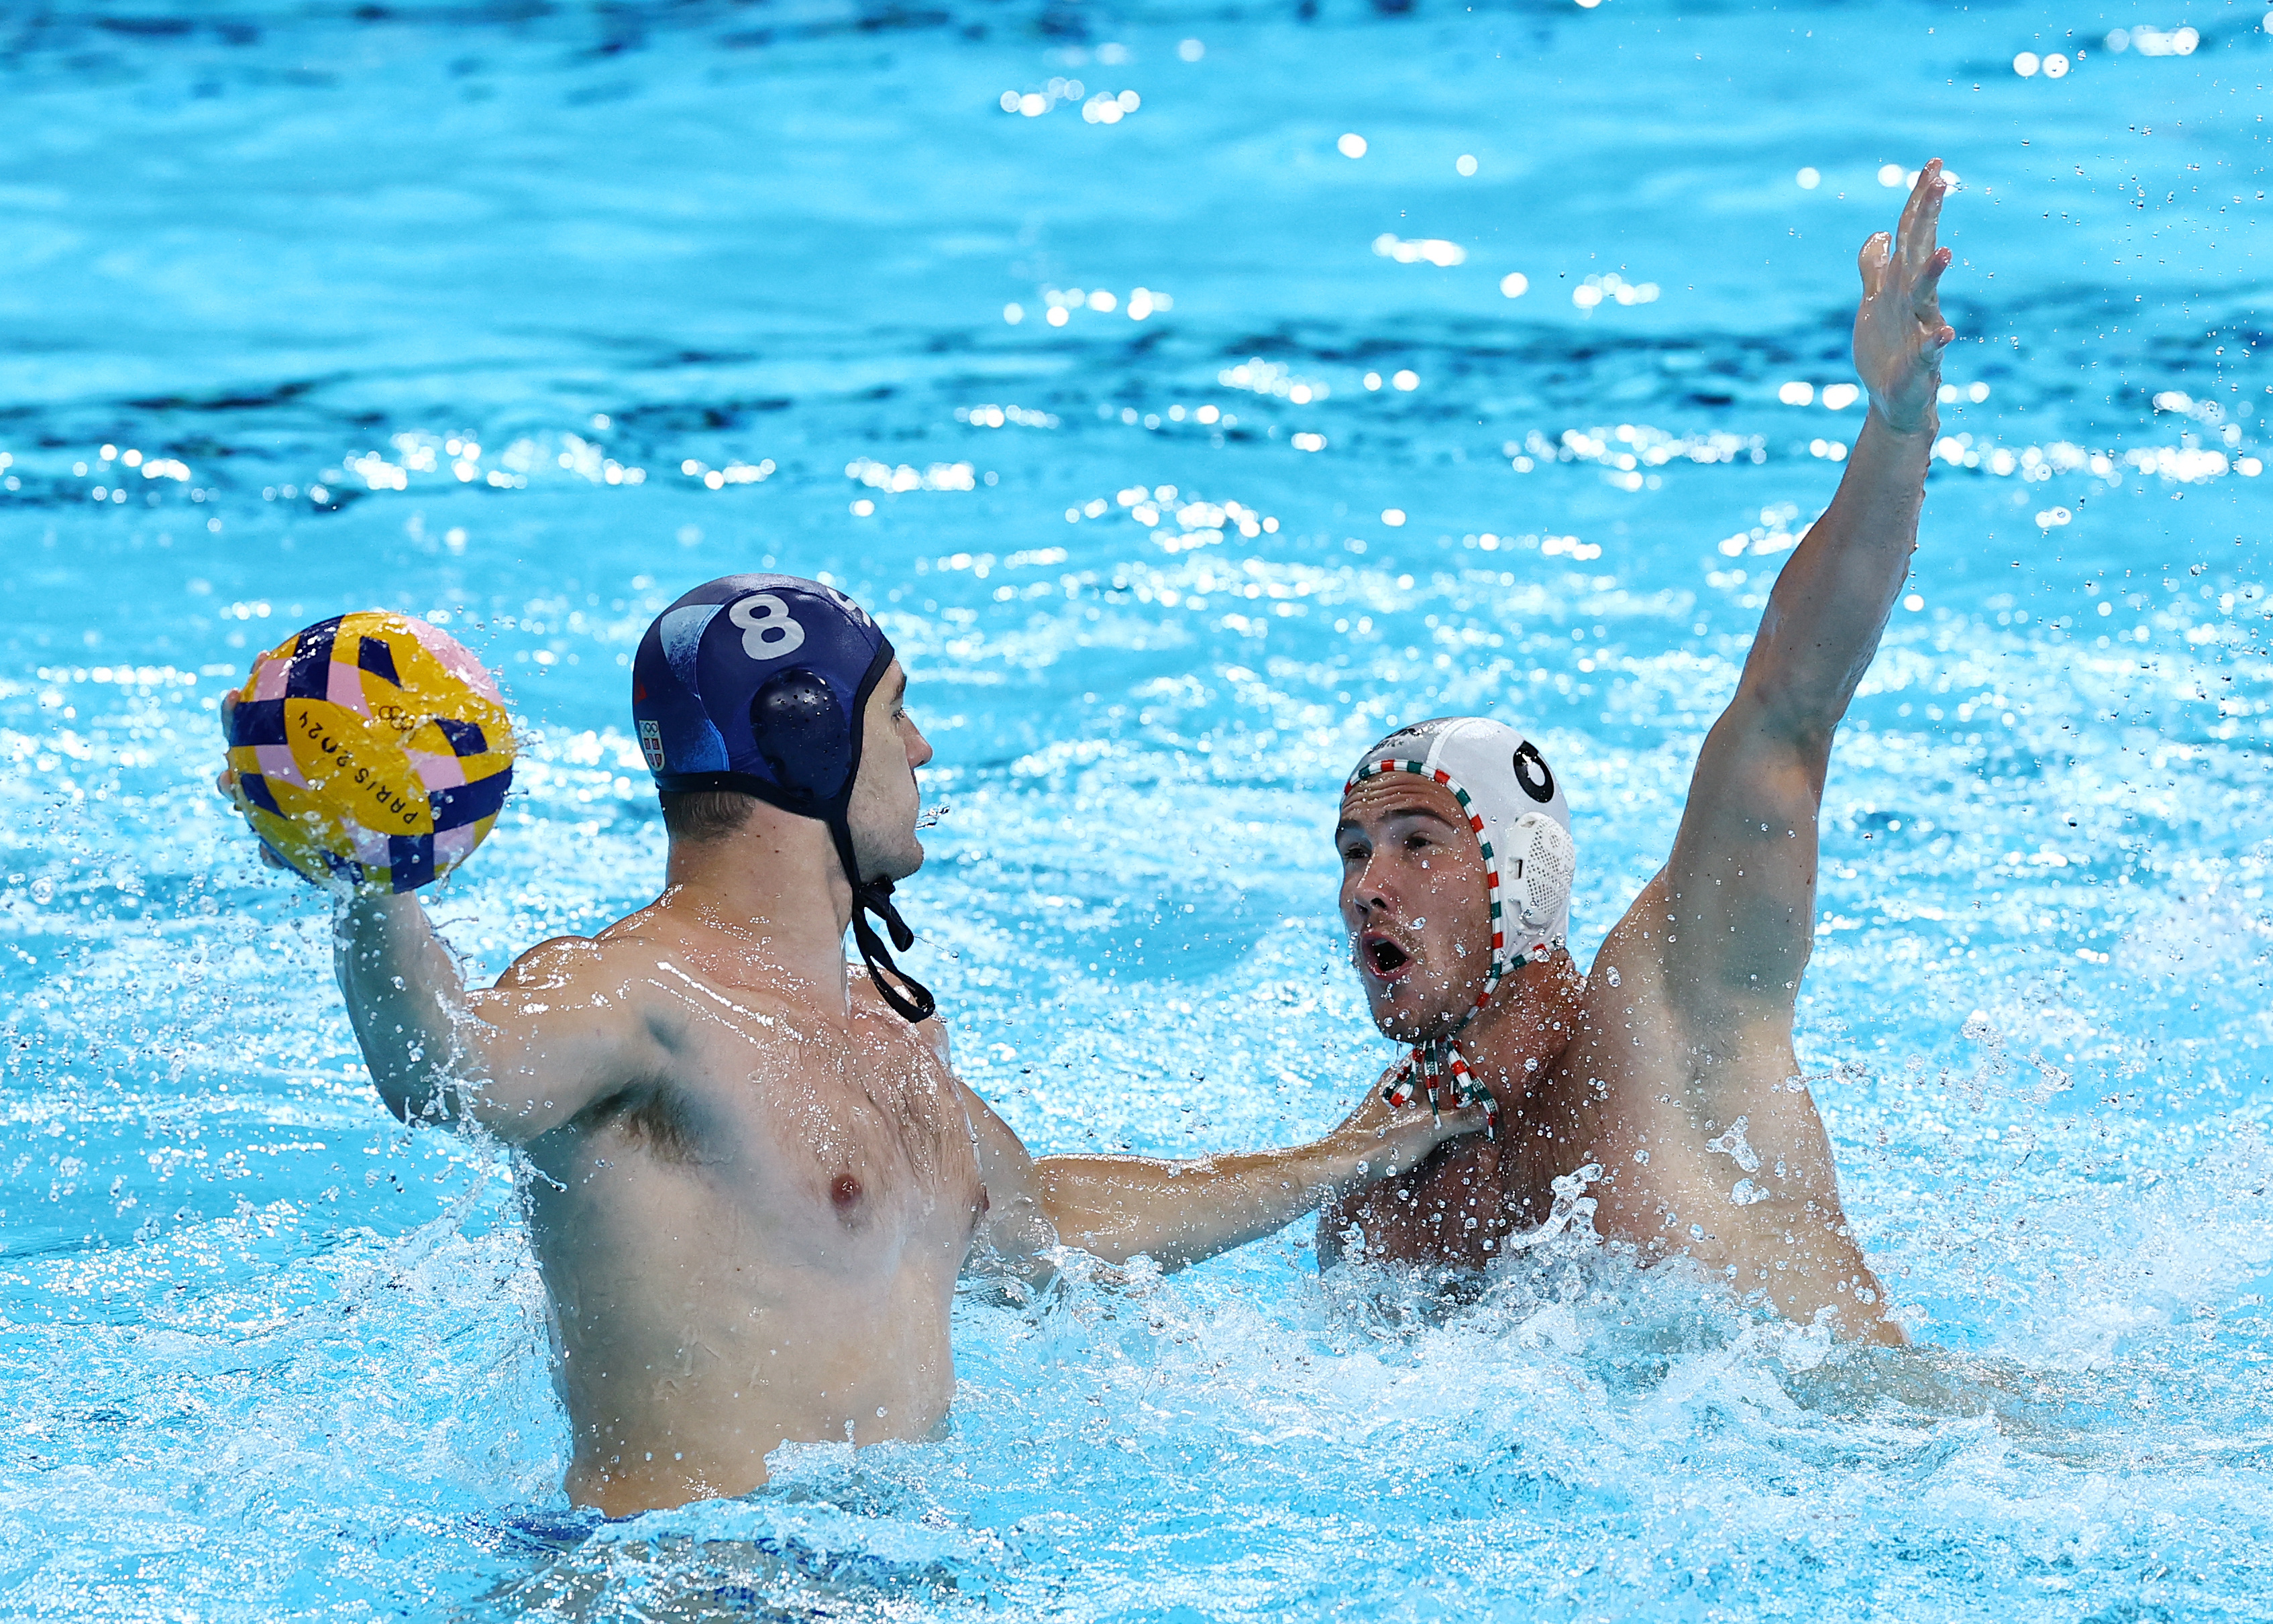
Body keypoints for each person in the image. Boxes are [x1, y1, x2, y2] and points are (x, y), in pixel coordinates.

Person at [219, 576, 1485, 1515]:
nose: (924, 749)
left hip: (889, 1583)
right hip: (679, 1595)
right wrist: (372, 880)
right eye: (897, 712)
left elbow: (1044, 1225)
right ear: (808, 734)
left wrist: (1350, 1153)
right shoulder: (635, 998)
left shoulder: (894, 1032)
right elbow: (447, 1064)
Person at [1318, 162, 1961, 1345]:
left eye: (1418, 842)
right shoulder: (1375, 1201)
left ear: (1523, 880)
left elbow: (1787, 706)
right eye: (1354, 851)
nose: (1368, 886)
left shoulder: (1670, 1003)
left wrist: (1896, 425)